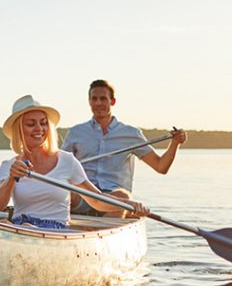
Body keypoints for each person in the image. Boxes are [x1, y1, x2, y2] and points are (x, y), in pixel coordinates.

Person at [0, 95, 148, 230]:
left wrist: (129, 205)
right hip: (19, 228)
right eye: (31, 124)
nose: (39, 128)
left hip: (56, 230)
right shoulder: (8, 166)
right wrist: (11, 179)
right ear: (19, 129)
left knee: (23, 227)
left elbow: (96, 199)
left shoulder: (67, 160)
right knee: (4, 222)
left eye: (43, 123)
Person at [62, 79, 187, 214]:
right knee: (65, 193)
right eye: (94, 99)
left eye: (103, 99)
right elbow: (60, 166)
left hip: (116, 200)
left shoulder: (130, 134)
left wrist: (174, 144)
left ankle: (100, 231)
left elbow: (161, 166)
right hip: (85, 196)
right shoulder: (76, 132)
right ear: (89, 101)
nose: (98, 103)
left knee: (123, 196)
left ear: (112, 101)